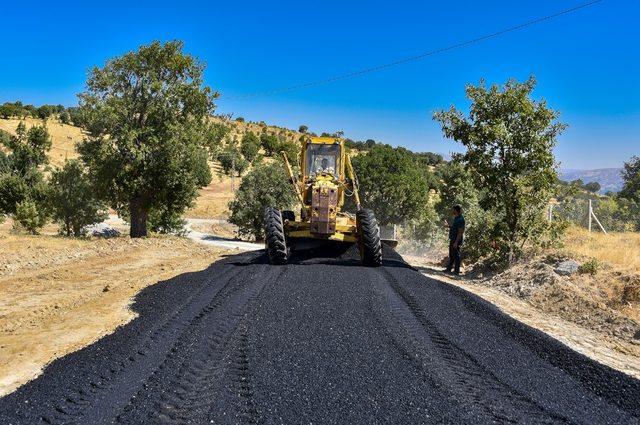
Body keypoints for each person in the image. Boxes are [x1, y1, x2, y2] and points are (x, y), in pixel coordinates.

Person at [443, 204, 465, 274]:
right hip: (453, 239)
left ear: (456, 210)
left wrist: (456, 242)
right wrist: (448, 226)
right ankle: (449, 269)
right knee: (451, 255)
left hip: (456, 240)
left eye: (453, 210)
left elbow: (460, 232)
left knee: (456, 255)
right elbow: (454, 229)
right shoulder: (456, 218)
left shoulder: (461, 219)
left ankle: (456, 271)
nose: (452, 211)